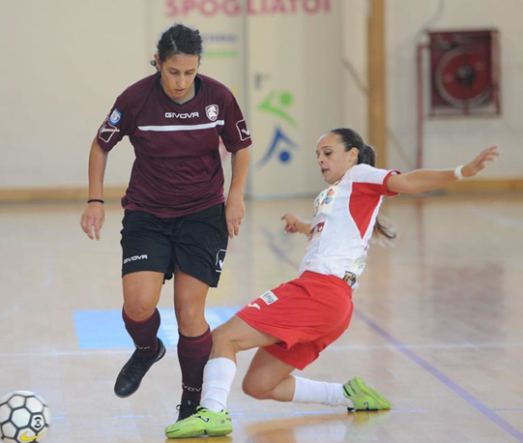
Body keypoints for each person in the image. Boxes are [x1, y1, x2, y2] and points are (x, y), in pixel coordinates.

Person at [164, 127, 500, 438]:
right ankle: (348, 395)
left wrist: (460, 172)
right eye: (317, 155)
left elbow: (409, 181)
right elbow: (331, 231)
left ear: (352, 154)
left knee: (223, 337)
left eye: (328, 152)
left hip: (317, 292)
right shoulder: (334, 194)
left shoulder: (360, 176)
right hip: (333, 306)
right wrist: (301, 226)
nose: (321, 160)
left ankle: (212, 412)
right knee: (259, 385)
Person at [79, 23, 252, 423]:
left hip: (203, 215)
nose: (181, 81)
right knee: (138, 305)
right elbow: (100, 145)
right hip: (148, 213)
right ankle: (147, 349)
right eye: (173, 71)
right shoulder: (136, 98)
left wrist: (236, 196)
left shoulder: (219, 97)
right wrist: (94, 199)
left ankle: (191, 402)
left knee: (190, 313)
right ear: (158, 63)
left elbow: (241, 147)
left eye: (189, 72)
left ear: (198, 67)